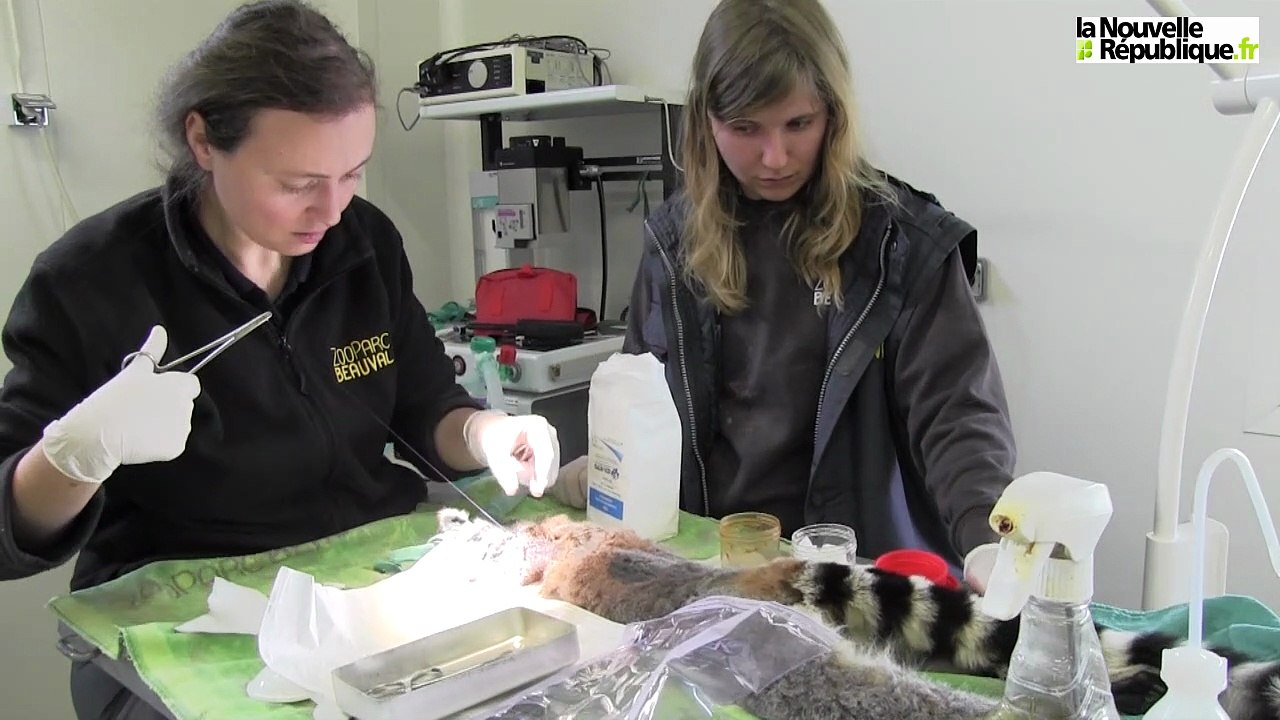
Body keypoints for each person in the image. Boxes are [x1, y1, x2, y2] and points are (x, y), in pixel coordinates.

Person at [0, 2, 560, 717]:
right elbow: (8, 532)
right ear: (203, 140)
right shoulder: (90, 280)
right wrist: (77, 455)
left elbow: (427, 407)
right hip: (184, 623)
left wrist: (488, 434)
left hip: (366, 594)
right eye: (296, 184)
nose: (331, 211)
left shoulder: (362, 243)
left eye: (351, 174)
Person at [554, 0, 1014, 584]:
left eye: (799, 124)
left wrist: (987, 537)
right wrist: (606, 464)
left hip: (856, 574)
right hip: (715, 565)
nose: (774, 158)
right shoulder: (673, 246)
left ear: (833, 114)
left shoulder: (902, 246)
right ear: (707, 121)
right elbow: (640, 397)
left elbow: (958, 415)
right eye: (746, 128)